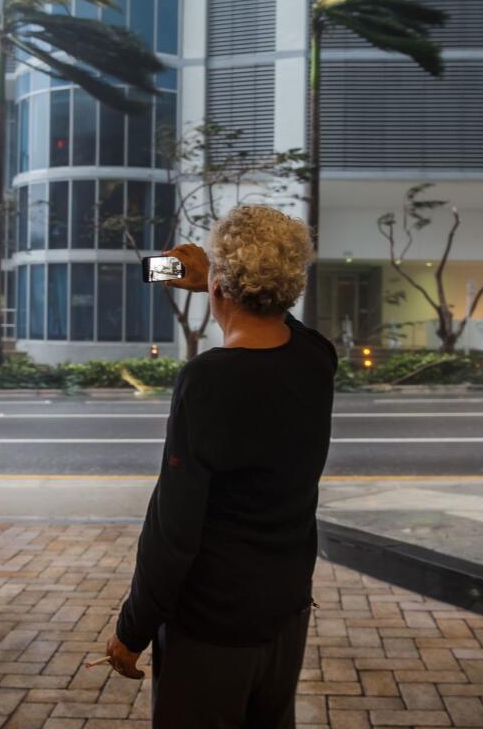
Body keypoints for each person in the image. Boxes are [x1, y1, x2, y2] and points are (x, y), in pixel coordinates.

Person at [103, 205, 338, 728]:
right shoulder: (317, 359)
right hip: (284, 612)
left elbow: (174, 528)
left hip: (211, 625)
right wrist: (226, 277)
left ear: (218, 290)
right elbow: (290, 328)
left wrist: (132, 629)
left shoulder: (207, 381)